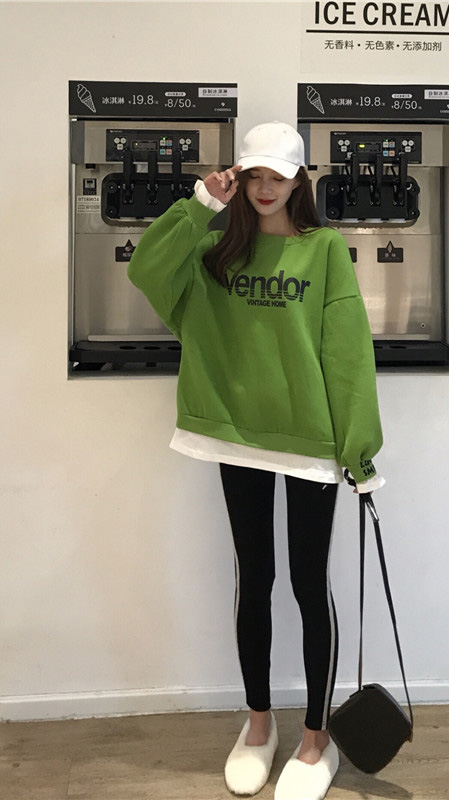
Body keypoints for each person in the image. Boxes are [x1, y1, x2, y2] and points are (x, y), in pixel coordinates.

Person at [128, 121, 384, 800]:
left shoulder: (324, 249)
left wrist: (358, 449)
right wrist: (199, 205)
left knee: (308, 582)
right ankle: (259, 724)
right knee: (255, 578)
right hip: (234, 433)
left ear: (299, 182)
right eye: (254, 176)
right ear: (237, 178)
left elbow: (347, 351)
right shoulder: (213, 249)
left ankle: (316, 738)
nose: (266, 188)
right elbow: (145, 268)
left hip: (309, 437)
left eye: (278, 177)